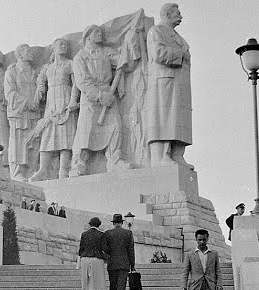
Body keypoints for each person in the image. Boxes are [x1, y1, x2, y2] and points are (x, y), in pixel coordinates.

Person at [69, 25, 136, 177]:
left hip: (109, 93)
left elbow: (126, 64)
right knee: (85, 132)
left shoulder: (107, 52)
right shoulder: (80, 56)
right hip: (91, 97)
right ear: (88, 36)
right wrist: (99, 96)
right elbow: (81, 81)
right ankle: (78, 164)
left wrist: (128, 48)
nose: (100, 34)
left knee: (115, 128)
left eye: (101, 32)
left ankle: (115, 161)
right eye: (96, 32)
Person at [144, 3, 193, 170]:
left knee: (179, 119)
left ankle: (177, 154)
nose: (180, 16)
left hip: (179, 84)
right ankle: (162, 155)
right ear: (167, 14)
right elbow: (158, 54)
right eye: (177, 13)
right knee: (165, 118)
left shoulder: (177, 36)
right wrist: (181, 55)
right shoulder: (156, 31)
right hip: (164, 82)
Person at [29, 38, 80, 181]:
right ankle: (42, 170)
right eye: (60, 45)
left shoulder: (70, 64)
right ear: (54, 48)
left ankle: (63, 170)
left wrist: (72, 101)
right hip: (51, 102)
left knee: (66, 136)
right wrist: (40, 89)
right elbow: (40, 80)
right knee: (47, 136)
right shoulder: (47, 67)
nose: (63, 47)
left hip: (66, 98)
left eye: (65, 45)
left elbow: (76, 83)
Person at [4, 44, 42, 181]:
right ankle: (17, 172)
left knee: (34, 141)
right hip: (19, 112)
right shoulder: (12, 72)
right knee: (18, 142)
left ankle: (32, 170)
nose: (31, 53)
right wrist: (26, 102)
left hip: (34, 112)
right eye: (28, 51)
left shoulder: (34, 71)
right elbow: (10, 93)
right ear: (20, 55)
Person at [104, 213, 136, 290]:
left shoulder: (108, 233)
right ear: (121, 222)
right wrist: (132, 265)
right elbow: (131, 250)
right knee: (121, 286)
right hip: (124, 263)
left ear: (114, 223)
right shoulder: (128, 233)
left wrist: (110, 254)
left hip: (112, 263)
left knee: (112, 285)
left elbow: (105, 248)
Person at [78, 217, 109, 290]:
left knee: (85, 281)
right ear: (98, 224)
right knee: (93, 283)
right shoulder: (101, 235)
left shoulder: (84, 234)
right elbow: (104, 248)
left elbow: (81, 249)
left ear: (90, 224)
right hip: (96, 259)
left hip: (84, 258)